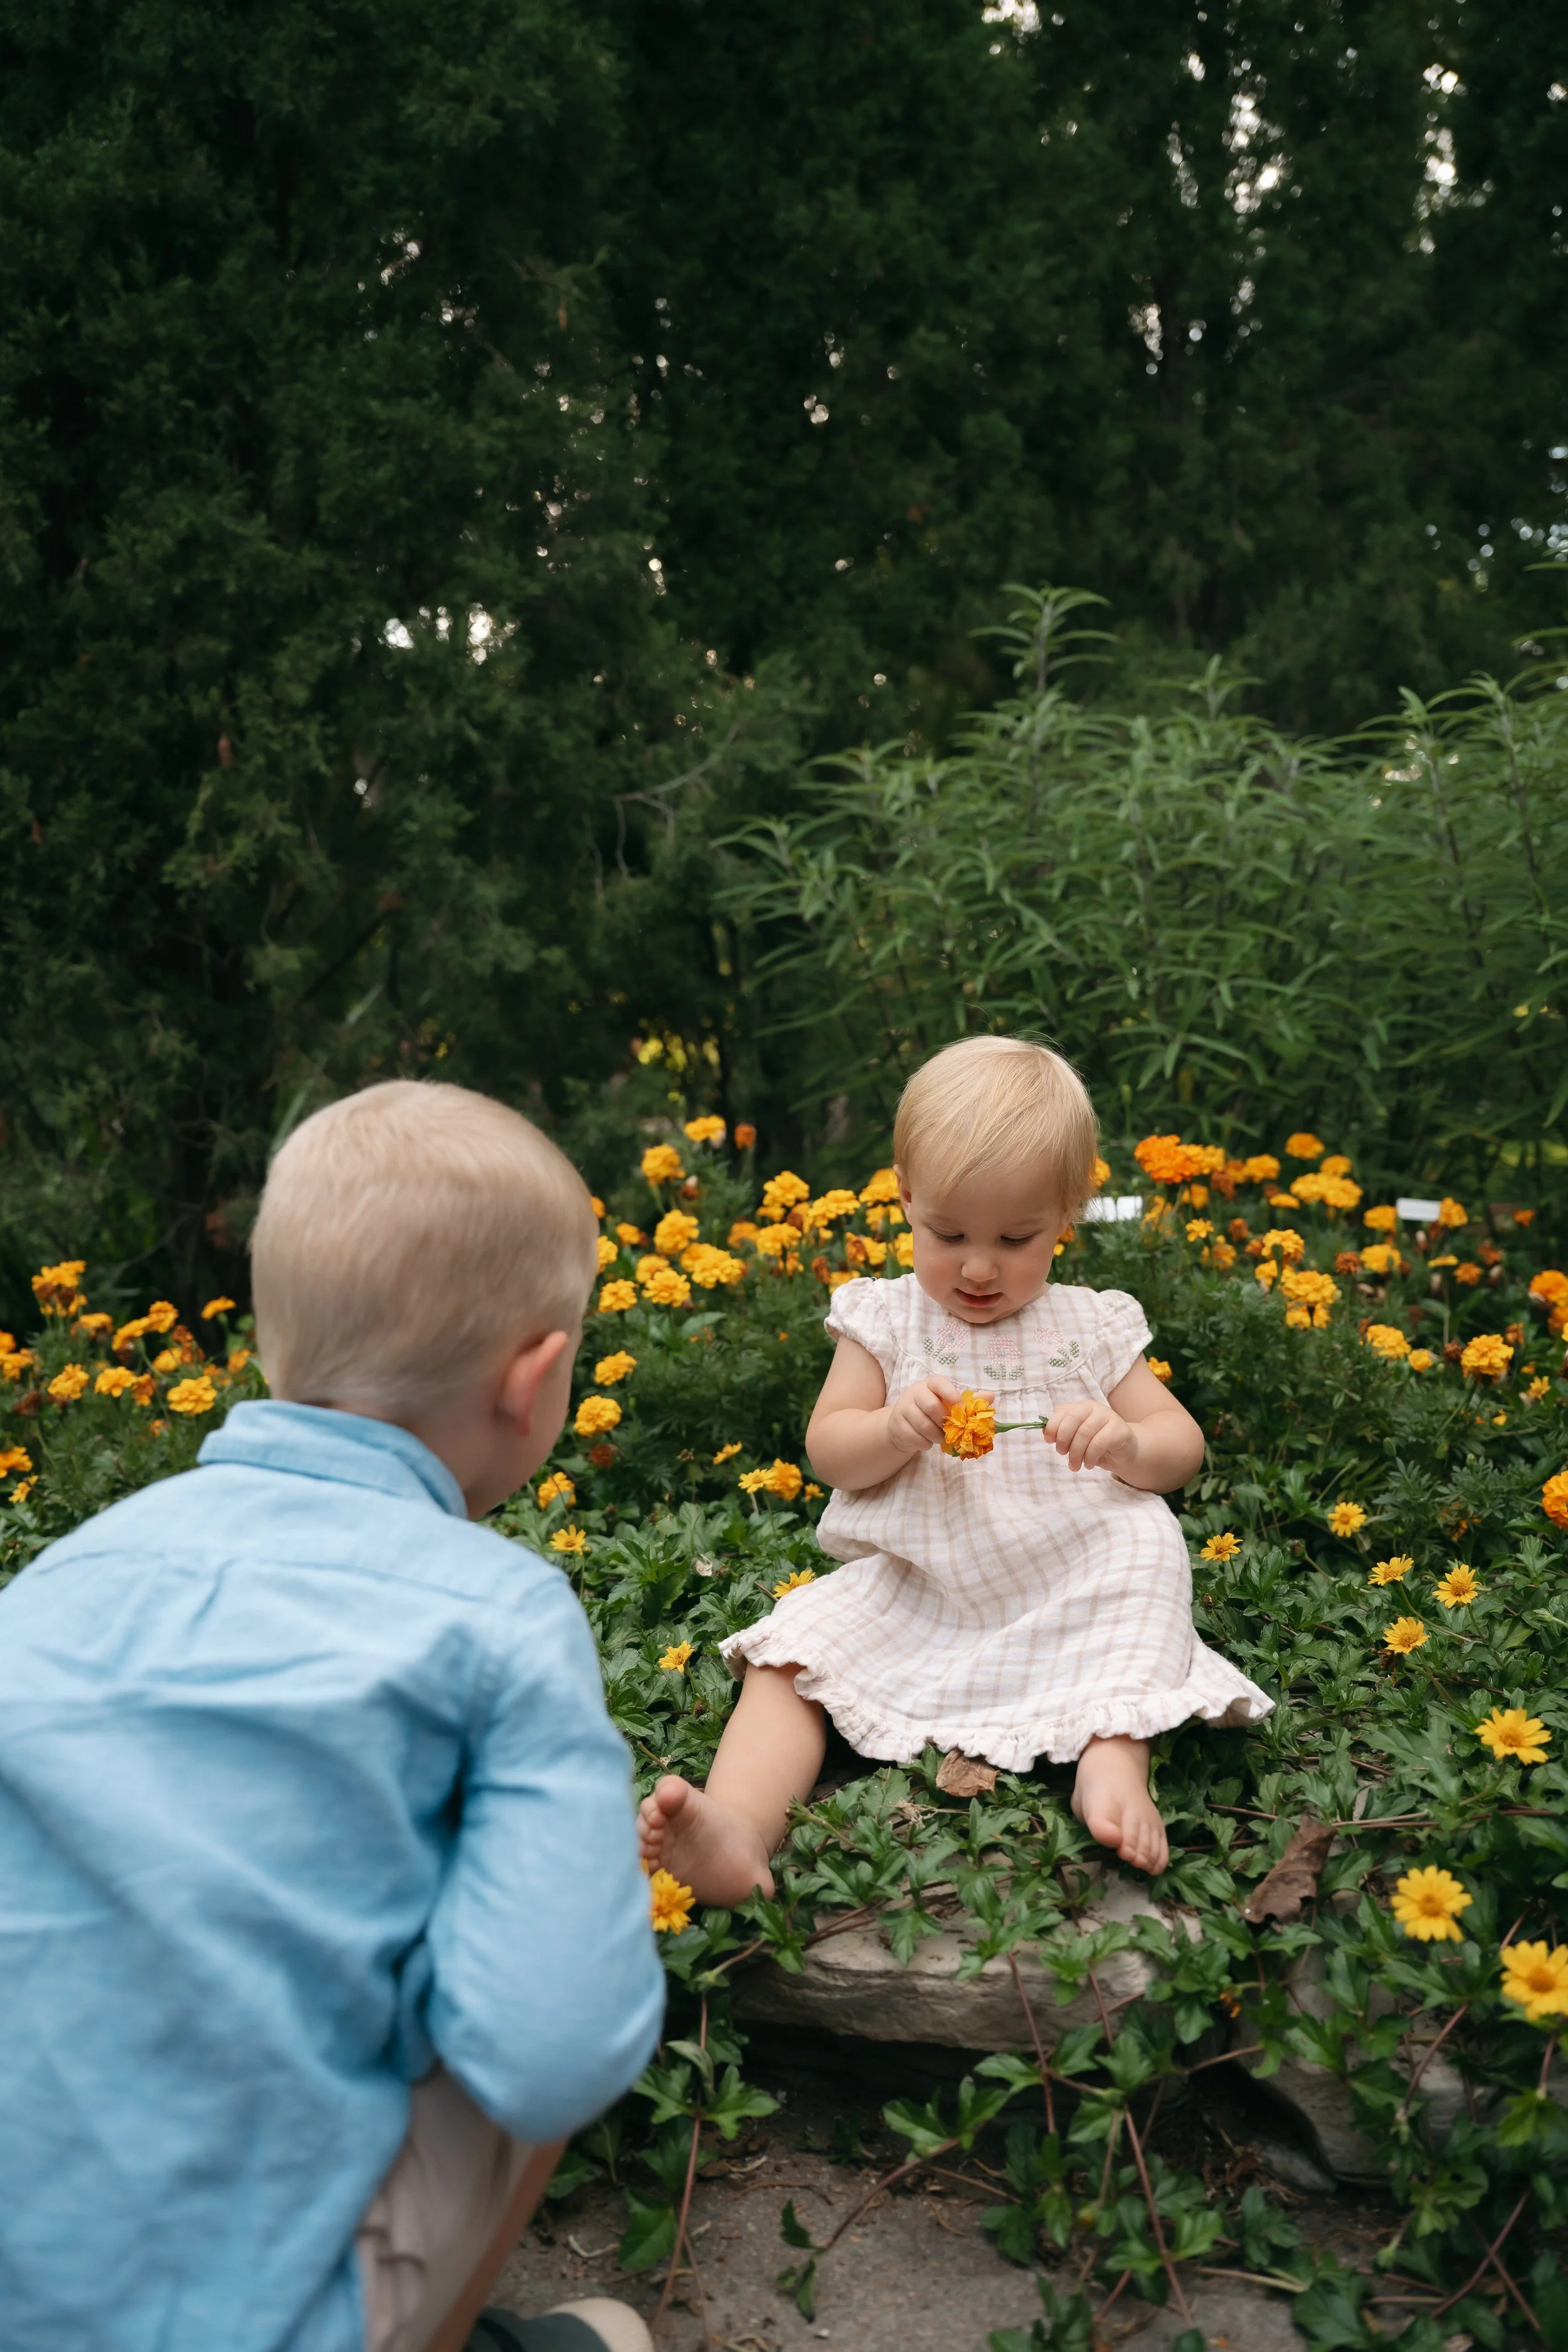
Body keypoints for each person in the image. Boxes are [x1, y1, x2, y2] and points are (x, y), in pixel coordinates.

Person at [0, 1083, 664, 2352]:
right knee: (551, 1976)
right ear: (533, 1381)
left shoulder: (58, 1580)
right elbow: (551, 2051)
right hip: (246, 2319)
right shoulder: (500, 1614)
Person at [640, 1036, 1271, 1904]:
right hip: (922, 1581)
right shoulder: (888, 1318)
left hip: (1074, 1570)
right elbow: (830, 1447)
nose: (979, 1266)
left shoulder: (1089, 1325)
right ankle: (740, 1827)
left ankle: (1111, 1762)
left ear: (1067, 1215)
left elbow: (1179, 1443)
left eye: (1017, 1238)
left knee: (1142, 1569)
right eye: (948, 1233)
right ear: (905, 1195)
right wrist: (892, 1428)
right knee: (796, 1653)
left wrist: (1127, 1444)